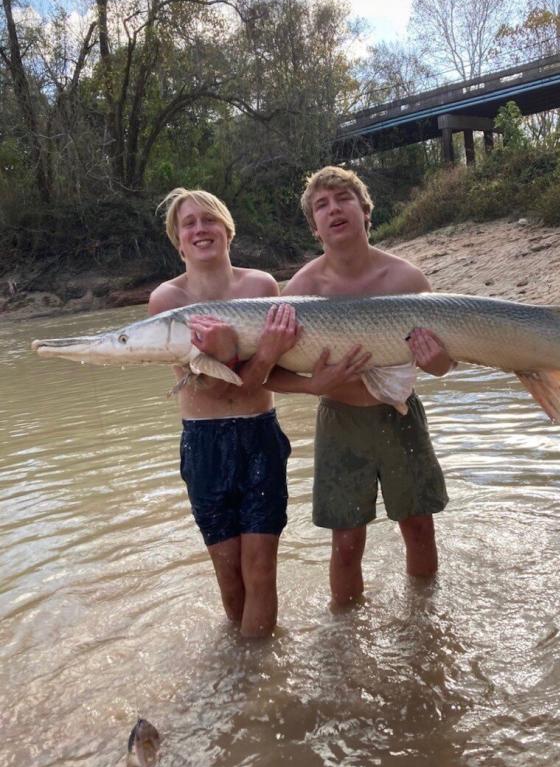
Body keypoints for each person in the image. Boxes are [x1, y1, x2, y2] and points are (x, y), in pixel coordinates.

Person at [265, 166, 454, 606]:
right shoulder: (302, 289)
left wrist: (436, 360)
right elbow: (267, 372)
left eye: (343, 198)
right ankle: (345, 640)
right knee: (346, 544)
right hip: (340, 422)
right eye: (322, 204)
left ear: (366, 210)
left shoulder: (407, 280)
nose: (334, 209)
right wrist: (314, 385)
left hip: (401, 415)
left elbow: (444, 365)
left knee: (420, 527)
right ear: (315, 227)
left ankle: (424, 624)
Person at [148, 187, 302, 638]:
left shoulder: (261, 287)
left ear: (228, 230)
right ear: (178, 241)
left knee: (260, 569)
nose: (200, 229)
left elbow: (256, 384)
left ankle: (259, 678)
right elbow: (213, 390)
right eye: (189, 223)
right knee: (229, 575)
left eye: (209, 219)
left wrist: (268, 351)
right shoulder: (166, 301)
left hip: (259, 434)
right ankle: (242, 669)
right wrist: (263, 352)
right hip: (204, 442)